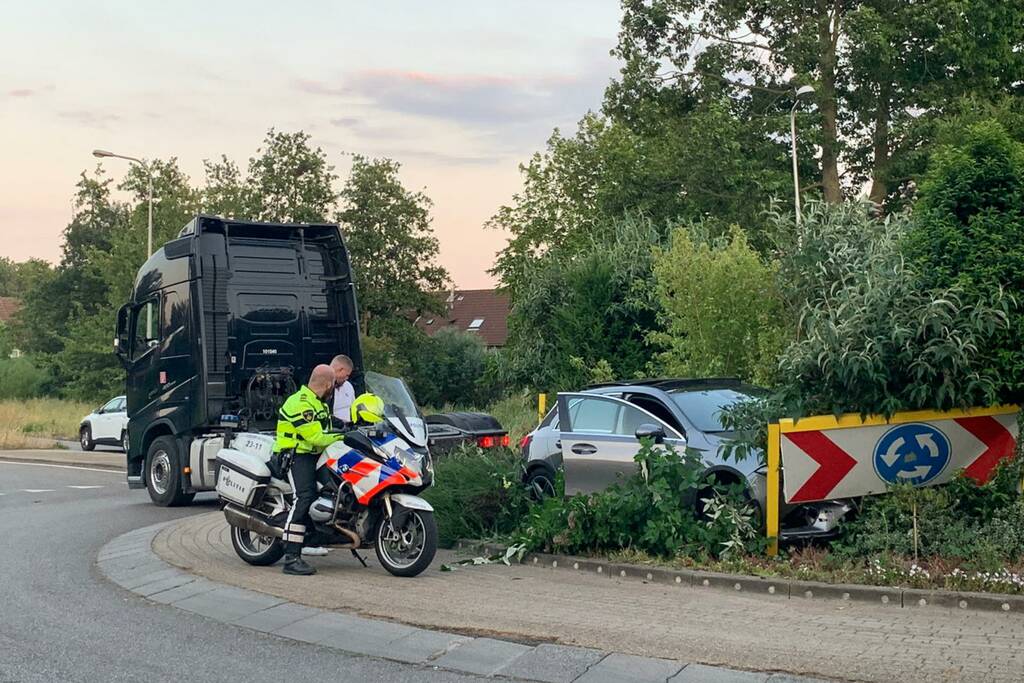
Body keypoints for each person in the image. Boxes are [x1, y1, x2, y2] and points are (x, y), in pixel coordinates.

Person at [274, 364, 343, 576]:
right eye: (335, 384)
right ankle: (291, 558)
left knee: (336, 487)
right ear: (328, 384)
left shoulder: (318, 403)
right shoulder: (301, 403)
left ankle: (317, 535)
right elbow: (316, 438)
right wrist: (344, 437)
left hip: (314, 455)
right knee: (304, 496)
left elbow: (328, 428)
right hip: (294, 455)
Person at [330, 354, 355, 428]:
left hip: (346, 432)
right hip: (331, 432)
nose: (347, 378)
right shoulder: (322, 387)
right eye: (347, 375)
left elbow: (353, 408)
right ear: (341, 369)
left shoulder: (348, 386)